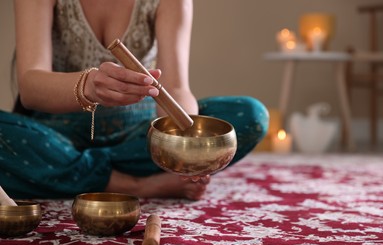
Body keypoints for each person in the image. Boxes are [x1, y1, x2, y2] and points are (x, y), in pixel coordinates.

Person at [0, 0, 268, 201]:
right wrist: (89, 86)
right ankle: (133, 185)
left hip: (140, 140)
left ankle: (69, 173)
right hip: (55, 136)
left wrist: (187, 147)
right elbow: (30, 88)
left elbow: (175, 87)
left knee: (249, 115)